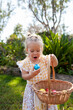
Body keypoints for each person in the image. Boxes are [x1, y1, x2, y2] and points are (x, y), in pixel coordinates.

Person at [16, 33, 58, 110]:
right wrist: (31, 75)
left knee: (47, 105)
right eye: (32, 51)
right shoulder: (26, 62)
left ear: (41, 49)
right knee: (33, 106)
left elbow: (54, 65)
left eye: (38, 50)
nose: (35, 53)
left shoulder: (44, 59)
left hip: (45, 88)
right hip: (32, 90)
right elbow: (24, 76)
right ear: (27, 50)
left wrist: (54, 58)